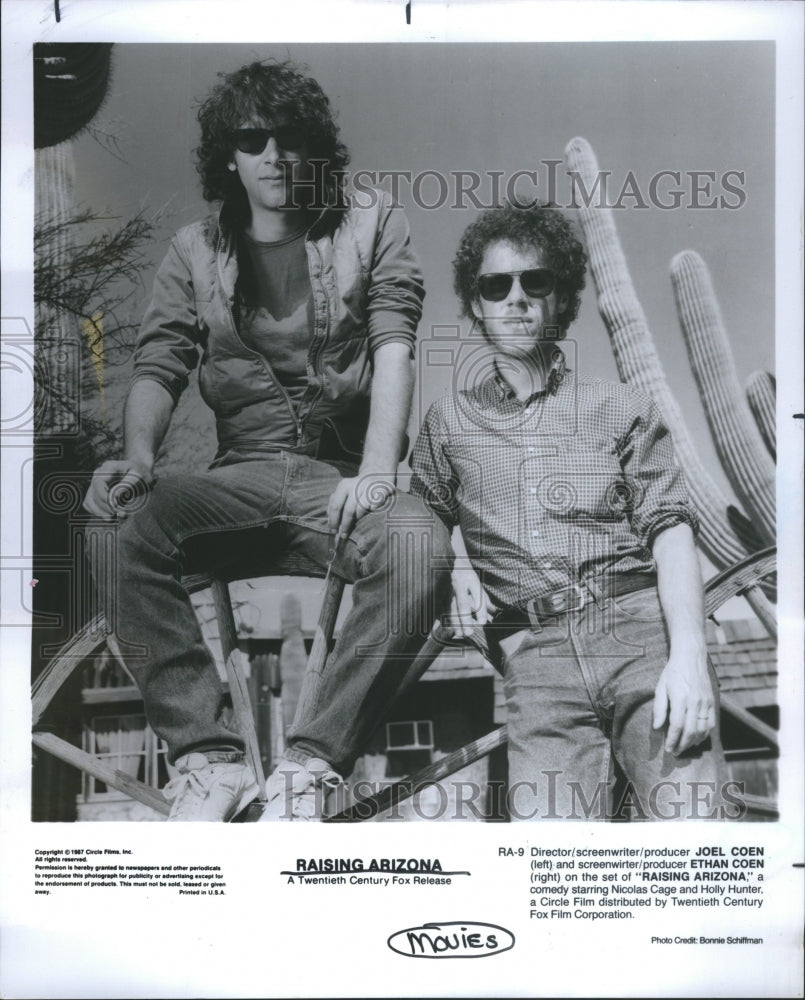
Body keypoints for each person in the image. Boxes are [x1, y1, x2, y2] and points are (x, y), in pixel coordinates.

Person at [83, 60, 451, 821]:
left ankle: (312, 763)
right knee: (116, 523)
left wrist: (379, 470)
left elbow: (394, 342)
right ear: (230, 156)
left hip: (340, 481)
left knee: (417, 544)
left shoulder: (370, 221)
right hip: (238, 481)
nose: (275, 154)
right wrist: (141, 459)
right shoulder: (193, 251)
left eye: (291, 137)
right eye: (254, 139)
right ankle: (207, 758)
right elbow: (160, 361)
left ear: (315, 148)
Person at [410, 201, 730, 821]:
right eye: (496, 284)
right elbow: (416, 525)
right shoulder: (447, 425)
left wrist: (689, 657)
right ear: (476, 303)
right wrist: (454, 568)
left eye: (537, 281)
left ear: (562, 298)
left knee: (700, 842)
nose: (517, 298)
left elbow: (671, 531)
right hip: (537, 659)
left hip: (642, 633)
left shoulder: (620, 406)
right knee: (550, 873)